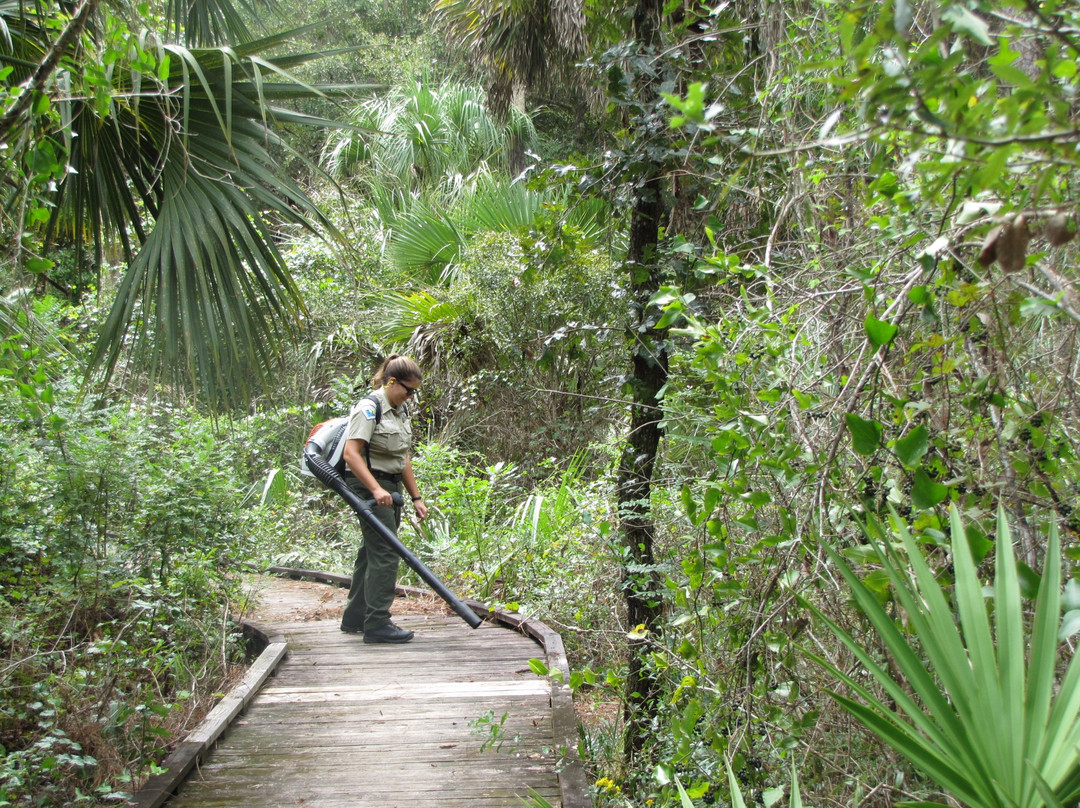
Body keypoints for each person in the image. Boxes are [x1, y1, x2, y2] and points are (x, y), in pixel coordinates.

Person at [339, 354, 428, 644]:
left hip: (391, 487)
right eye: (408, 390)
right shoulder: (369, 408)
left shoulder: (399, 410)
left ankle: (355, 618)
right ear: (392, 381)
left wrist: (415, 497)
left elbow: (402, 456)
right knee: (387, 551)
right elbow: (351, 454)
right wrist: (376, 490)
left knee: (372, 549)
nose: (411, 396)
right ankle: (377, 623)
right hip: (369, 487)